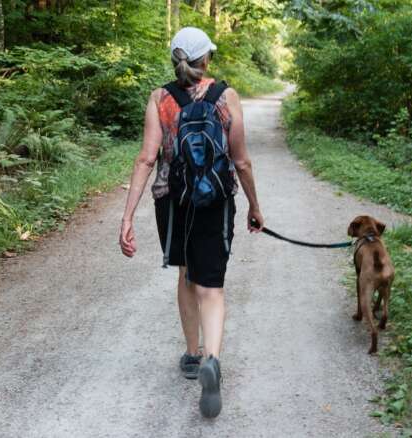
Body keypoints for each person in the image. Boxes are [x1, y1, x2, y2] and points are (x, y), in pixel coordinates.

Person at [118, 26, 263, 418]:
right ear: (206, 59)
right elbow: (241, 160)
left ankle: (192, 354)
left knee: (186, 274)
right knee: (211, 286)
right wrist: (254, 206)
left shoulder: (160, 97)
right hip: (215, 201)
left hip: (174, 201)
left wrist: (127, 216)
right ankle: (212, 359)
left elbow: (147, 158)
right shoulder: (226, 95)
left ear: (174, 59)